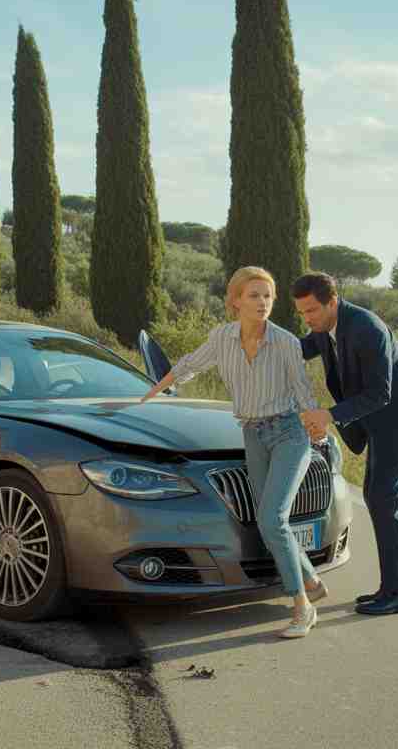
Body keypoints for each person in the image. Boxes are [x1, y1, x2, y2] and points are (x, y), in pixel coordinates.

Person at [141, 266, 328, 638]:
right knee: (268, 520)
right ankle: (311, 580)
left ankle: (301, 607)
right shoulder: (222, 338)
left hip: (289, 434)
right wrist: (146, 396)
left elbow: (304, 393)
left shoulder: (287, 342)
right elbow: (188, 365)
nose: (263, 302)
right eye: (254, 295)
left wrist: (317, 433)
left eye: (268, 296)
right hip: (253, 435)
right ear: (236, 301)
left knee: (272, 517)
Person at [291, 271, 398, 616]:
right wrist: (255, 344)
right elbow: (297, 350)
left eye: (312, 311)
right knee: (379, 499)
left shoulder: (366, 328)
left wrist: (328, 415)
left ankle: (396, 593)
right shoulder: (322, 329)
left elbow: (381, 393)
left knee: (381, 498)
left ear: (333, 302)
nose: (307, 319)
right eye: (302, 313)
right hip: (378, 421)